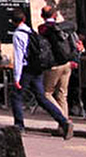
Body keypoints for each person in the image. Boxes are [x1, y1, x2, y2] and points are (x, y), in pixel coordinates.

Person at [10, 8, 72, 138]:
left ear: (13, 22)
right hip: (37, 68)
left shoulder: (18, 34)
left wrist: (16, 77)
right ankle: (63, 121)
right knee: (42, 98)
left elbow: (19, 56)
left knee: (16, 96)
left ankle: (19, 126)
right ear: (24, 19)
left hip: (26, 70)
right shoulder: (31, 31)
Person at [39, 5, 80, 118]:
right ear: (55, 15)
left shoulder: (43, 29)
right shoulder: (65, 27)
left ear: (42, 16)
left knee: (46, 93)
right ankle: (64, 124)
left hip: (54, 65)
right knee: (62, 94)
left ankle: (62, 118)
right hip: (67, 63)